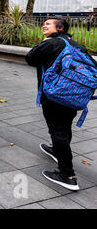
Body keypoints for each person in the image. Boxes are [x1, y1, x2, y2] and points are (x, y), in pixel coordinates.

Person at [26, 17, 97, 191]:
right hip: (74, 96)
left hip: (55, 94)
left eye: (48, 24)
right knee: (64, 127)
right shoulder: (75, 44)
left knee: (57, 130)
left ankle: (67, 175)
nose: (44, 25)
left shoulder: (52, 43)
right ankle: (58, 152)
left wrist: (44, 42)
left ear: (59, 28)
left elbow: (30, 58)